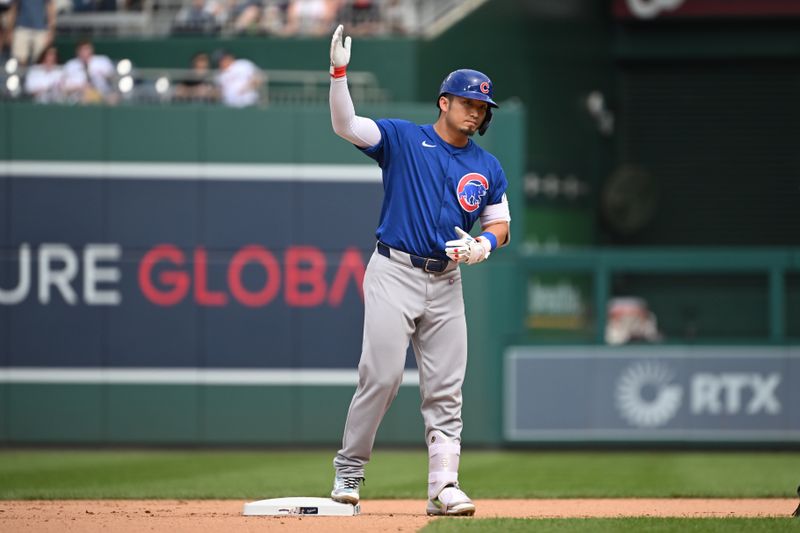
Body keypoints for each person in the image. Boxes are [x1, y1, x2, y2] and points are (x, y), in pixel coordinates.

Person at [327, 25, 510, 517]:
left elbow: (500, 222)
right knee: (381, 376)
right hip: (395, 271)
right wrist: (339, 74)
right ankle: (349, 470)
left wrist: (484, 246)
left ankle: (443, 487)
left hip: (447, 281)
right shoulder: (404, 138)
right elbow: (346, 126)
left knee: (447, 390)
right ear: (444, 101)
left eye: (483, 107)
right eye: (468, 102)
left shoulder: (487, 165)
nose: (476, 111)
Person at [61, 39, 116, 104]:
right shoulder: (70, 65)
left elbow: (113, 78)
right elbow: (63, 87)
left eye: (87, 49)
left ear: (91, 50)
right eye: (82, 50)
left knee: (113, 97)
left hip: (103, 94)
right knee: (85, 97)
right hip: (78, 97)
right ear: (77, 51)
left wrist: (103, 75)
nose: (84, 52)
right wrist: (80, 87)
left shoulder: (102, 61)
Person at [6, 0, 56, 66]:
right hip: (21, 27)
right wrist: (10, 30)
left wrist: (51, 31)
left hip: (41, 29)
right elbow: (13, 9)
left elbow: (50, 9)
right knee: (19, 60)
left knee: (39, 60)